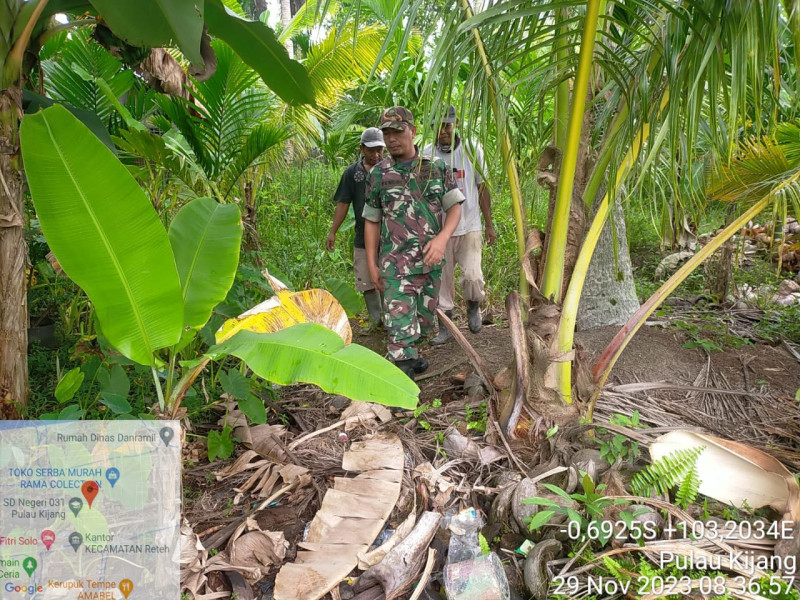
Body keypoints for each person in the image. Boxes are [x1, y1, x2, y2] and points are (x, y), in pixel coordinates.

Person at [363, 107, 464, 379]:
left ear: (413, 132)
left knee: (423, 322)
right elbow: (372, 220)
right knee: (400, 329)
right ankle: (401, 392)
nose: (392, 138)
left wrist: (442, 239)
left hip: (429, 264)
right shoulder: (378, 174)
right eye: (387, 133)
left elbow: (455, 208)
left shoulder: (436, 168)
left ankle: (407, 355)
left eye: (398, 131)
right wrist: (372, 264)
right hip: (395, 265)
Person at [424, 105, 495, 345]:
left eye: (447, 125)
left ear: (455, 125)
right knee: (441, 282)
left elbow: (482, 187)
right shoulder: (426, 154)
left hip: (470, 224)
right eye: (438, 126)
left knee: (473, 276)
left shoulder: (472, 149)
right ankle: (445, 327)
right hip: (439, 230)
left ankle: (473, 307)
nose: (443, 131)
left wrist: (489, 224)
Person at [326, 127, 386, 330]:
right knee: (366, 280)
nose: (376, 154)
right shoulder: (352, 173)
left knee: (389, 279)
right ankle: (376, 320)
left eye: (379, 149)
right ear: (361, 149)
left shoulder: (390, 169)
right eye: (371, 150)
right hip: (362, 237)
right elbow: (343, 203)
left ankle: (391, 320)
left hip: (390, 237)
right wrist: (333, 231)